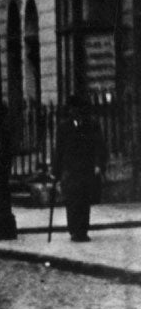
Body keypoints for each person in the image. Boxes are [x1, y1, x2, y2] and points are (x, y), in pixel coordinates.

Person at [53, 95, 106, 242]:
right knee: (72, 200)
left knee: (84, 199)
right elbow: (59, 150)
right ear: (70, 110)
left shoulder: (92, 125)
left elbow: (99, 146)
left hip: (86, 168)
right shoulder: (64, 127)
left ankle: (83, 230)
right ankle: (74, 230)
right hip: (70, 169)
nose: (75, 112)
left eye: (78, 109)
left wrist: (98, 164)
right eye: (73, 109)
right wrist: (55, 173)